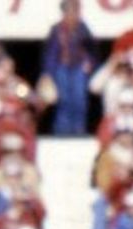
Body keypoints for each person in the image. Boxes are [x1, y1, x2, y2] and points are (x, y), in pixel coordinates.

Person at [43, 0, 96, 136]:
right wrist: (49, 73)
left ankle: (78, 130)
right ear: (64, 12)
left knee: (79, 100)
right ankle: (62, 132)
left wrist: (89, 63)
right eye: (70, 11)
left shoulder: (83, 28)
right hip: (62, 68)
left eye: (75, 11)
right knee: (64, 100)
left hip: (78, 68)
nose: (73, 14)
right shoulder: (57, 29)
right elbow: (51, 53)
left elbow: (91, 50)